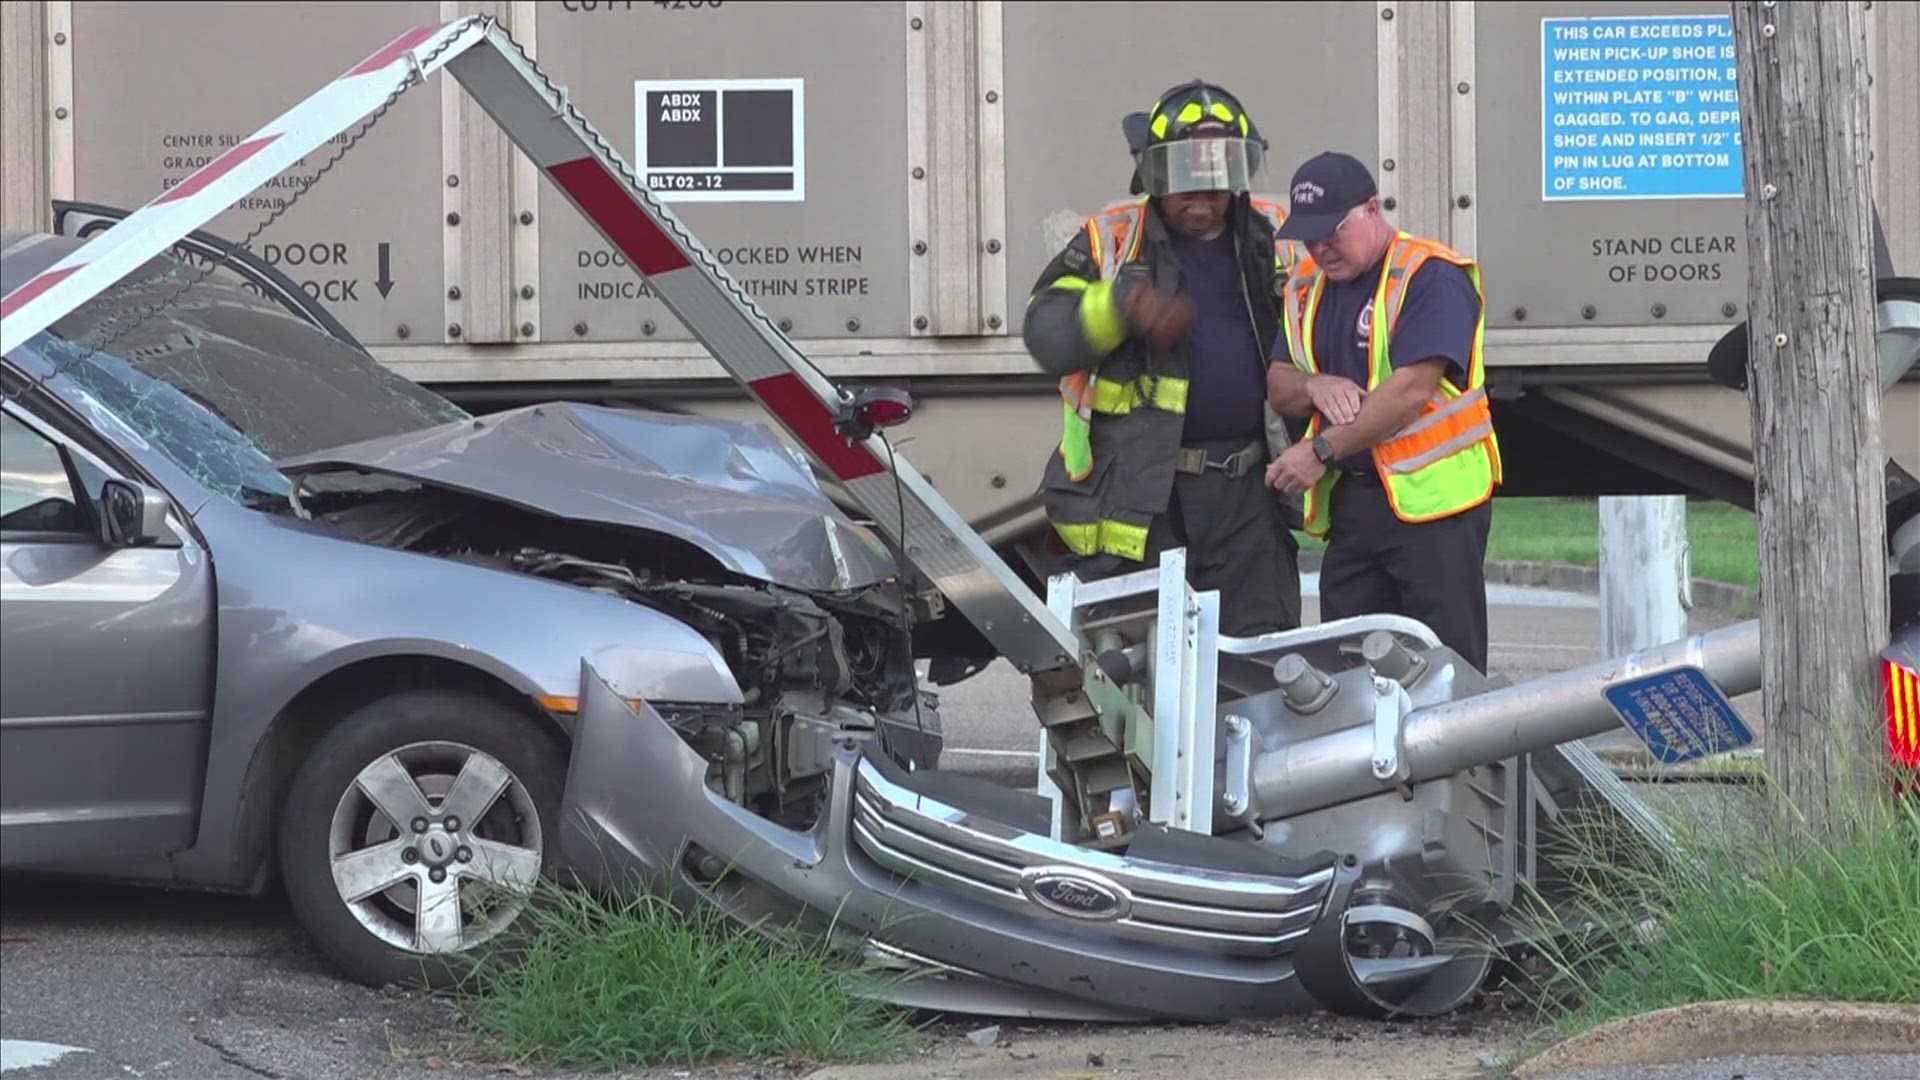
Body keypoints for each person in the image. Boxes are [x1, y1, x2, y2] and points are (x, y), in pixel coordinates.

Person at [1021, 79, 1307, 638]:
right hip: (1141, 498)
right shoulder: (1111, 238)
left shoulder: (1275, 236)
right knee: (1141, 663)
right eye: (1184, 182)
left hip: (1249, 496)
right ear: (1154, 175)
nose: (1201, 197)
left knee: (1257, 656)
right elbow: (1045, 330)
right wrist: (1121, 308)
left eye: (1215, 182)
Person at [1262, 150, 1504, 672]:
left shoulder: (1429, 275)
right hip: (1354, 505)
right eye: (1309, 237)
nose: (1320, 248)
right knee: (1352, 669)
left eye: (1332, 231)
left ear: (1373, 209)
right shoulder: (1305, 286)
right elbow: (1279, 383)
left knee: (1446, 669)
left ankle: (1455, 735)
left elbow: (1409, 391)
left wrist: (1319, 451)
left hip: (1436, 506)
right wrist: (1315, 384)